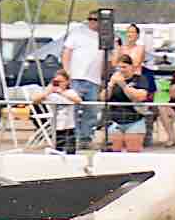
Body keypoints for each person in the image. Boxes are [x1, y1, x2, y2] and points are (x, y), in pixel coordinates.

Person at [59, 13, 106, 149]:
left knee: (91, 110)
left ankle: (86, 138)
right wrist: (67, 71)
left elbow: (106, 58)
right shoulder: (77, 33)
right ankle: (74, 137)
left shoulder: (104, 36)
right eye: (90, 19)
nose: (92, 22)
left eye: (96, 19)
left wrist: (103, 76)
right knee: (74, 109)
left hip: (94, 79)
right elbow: (67, 52)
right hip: (76, 77)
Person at [102, 53, 151, 151]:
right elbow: (103, 98)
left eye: (124, 67)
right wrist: (111, 84)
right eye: (119, 67)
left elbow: (140, 97)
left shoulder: (140, 79)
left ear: (132, 67)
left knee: (133, 152)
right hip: (115, 121)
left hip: (135, 120)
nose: (121, 70)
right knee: (114, 153)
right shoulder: (113, 80)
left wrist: (123, 85)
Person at [39, 69, 81, 154]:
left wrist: (61, 92)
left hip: (69, 127)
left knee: (70, 151)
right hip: (56, 127)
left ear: (67, 82)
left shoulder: (70, 92)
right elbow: (35, 100)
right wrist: (47, 91)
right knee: (57, 151)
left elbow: (78, 100)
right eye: (56, 81)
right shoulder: (50, 94)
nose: (59, 84)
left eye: (61, 81)